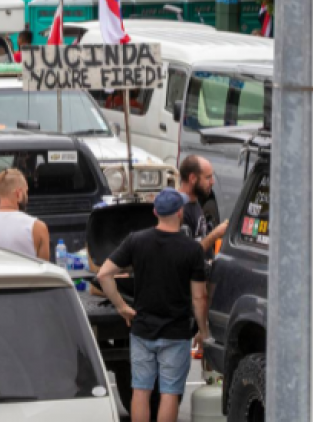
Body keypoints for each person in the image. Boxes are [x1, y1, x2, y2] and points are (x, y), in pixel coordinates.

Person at [97, 188, 208, 422]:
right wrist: (202, 330)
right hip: (176, 333)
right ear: (180, 212)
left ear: (155, 211)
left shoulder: (136, 241)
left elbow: (104, 274)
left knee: (141, 390)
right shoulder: (193, 250)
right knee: (169, 393)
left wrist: (121, 307)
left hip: (142, 330)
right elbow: (199, 297)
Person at [178, 155, 228, 259]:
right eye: (208, 177)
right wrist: (216, 233)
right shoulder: (179, 210)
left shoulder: (195, 202)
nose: (212, 182)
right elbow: (187, 255)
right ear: (192, 178)